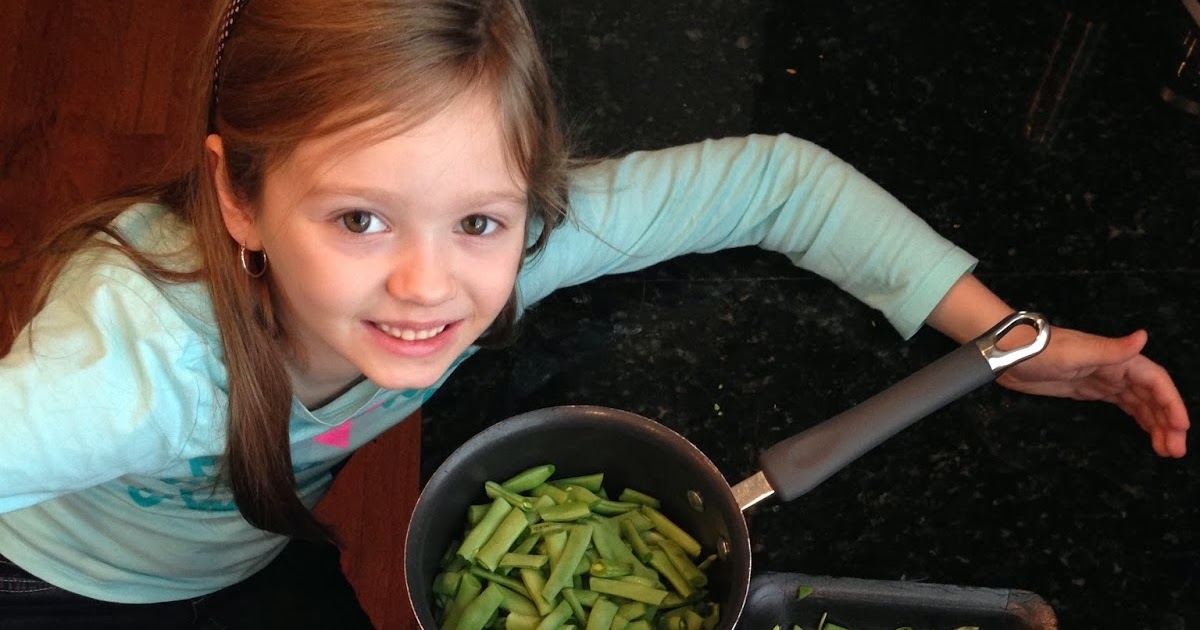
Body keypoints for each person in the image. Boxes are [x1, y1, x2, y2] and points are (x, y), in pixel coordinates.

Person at [0, 0, 1189, 627]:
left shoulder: (509, 248)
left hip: (247, 558)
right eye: (358, 220)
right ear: (239, 198)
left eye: (481, 221)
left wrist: (1001, 342)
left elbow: (772, 179)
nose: (430, 289)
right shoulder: (133, 365)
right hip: (59, 586)